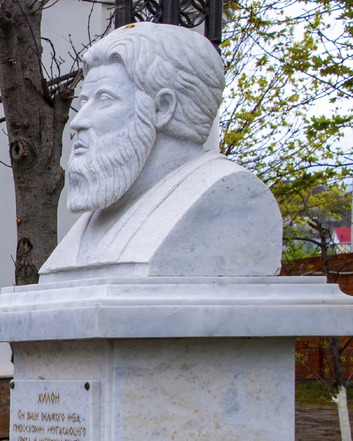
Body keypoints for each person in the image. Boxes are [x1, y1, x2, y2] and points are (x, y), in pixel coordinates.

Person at [40, 22, 281, 281]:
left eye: (105, 99)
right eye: (84, 101)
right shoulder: (109, 208)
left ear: (162, 108)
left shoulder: (232, 197)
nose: (78, 121)